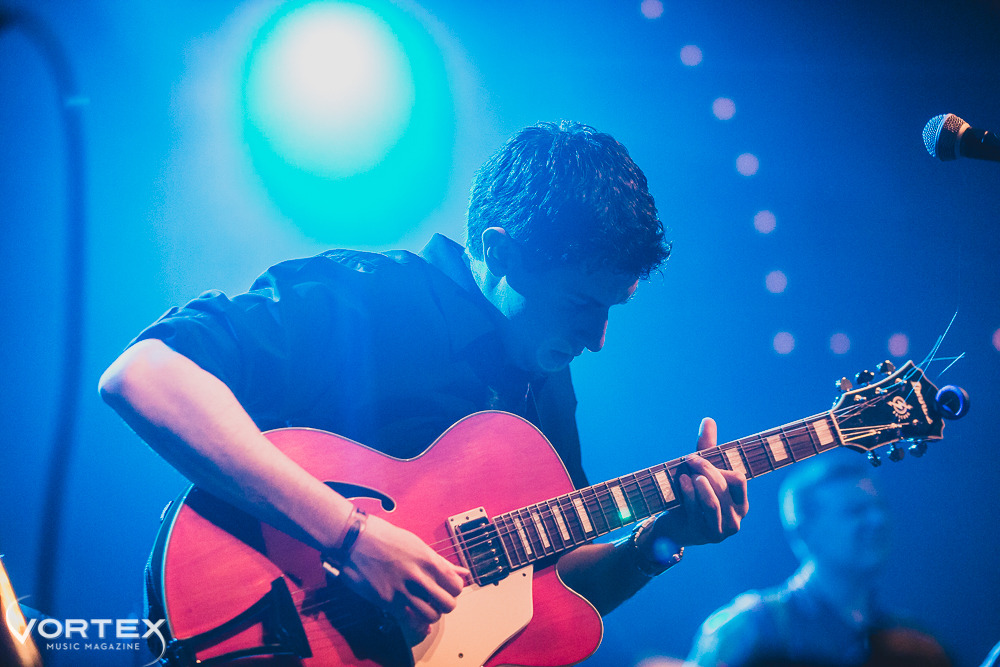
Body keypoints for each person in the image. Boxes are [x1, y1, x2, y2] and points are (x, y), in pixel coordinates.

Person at [99, 121, 749, 651]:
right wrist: (350, 536)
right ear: (502, 251)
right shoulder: (365, 296)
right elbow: (142, 374)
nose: (599, 336)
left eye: (612, 308)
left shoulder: (548, 380)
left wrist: (655, 542)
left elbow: (544, 590)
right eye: (581, 302)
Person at [686, 459, 950, 667]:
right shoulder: (750, 627)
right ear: (804, 532)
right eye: (855, 510)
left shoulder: (913, 640)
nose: (878, 520)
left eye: (879, 507)